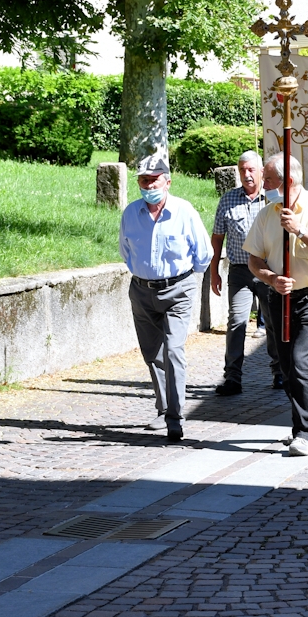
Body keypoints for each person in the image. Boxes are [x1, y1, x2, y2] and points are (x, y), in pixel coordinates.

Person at [244, 153, 308, 456]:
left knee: (301, 362)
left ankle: (304, 432)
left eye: (269, 179)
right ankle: (297, 422)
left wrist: (300, 229)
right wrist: (272, 278)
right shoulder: (265, 213)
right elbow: (254, 261)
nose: (264, 184)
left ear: (289, 181)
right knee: (285, 366)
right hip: (278, 298)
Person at [119, 153, 212, 442]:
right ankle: (163, 409)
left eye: (153, 180)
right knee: (153, 354)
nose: (148, 185)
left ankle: (175, 417)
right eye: (143, 181)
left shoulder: (184, 212)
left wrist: (183, 279)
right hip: (142, 290)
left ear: (167, 181)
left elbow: (204, 253)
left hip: (178, 289)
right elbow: (125, 251)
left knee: (173, 350)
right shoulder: (130, 214)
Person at [212, 152, 282, 397]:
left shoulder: (272, 199)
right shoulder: (228, 199)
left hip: (266, 270)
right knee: (237, 321)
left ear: (261, 171)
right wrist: (214, 272)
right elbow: (218, 237)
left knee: (272, 323)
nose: (247, 174)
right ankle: (232, 377)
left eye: (251, 169)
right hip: (240, 271)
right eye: (242, 170)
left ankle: (279, 373)